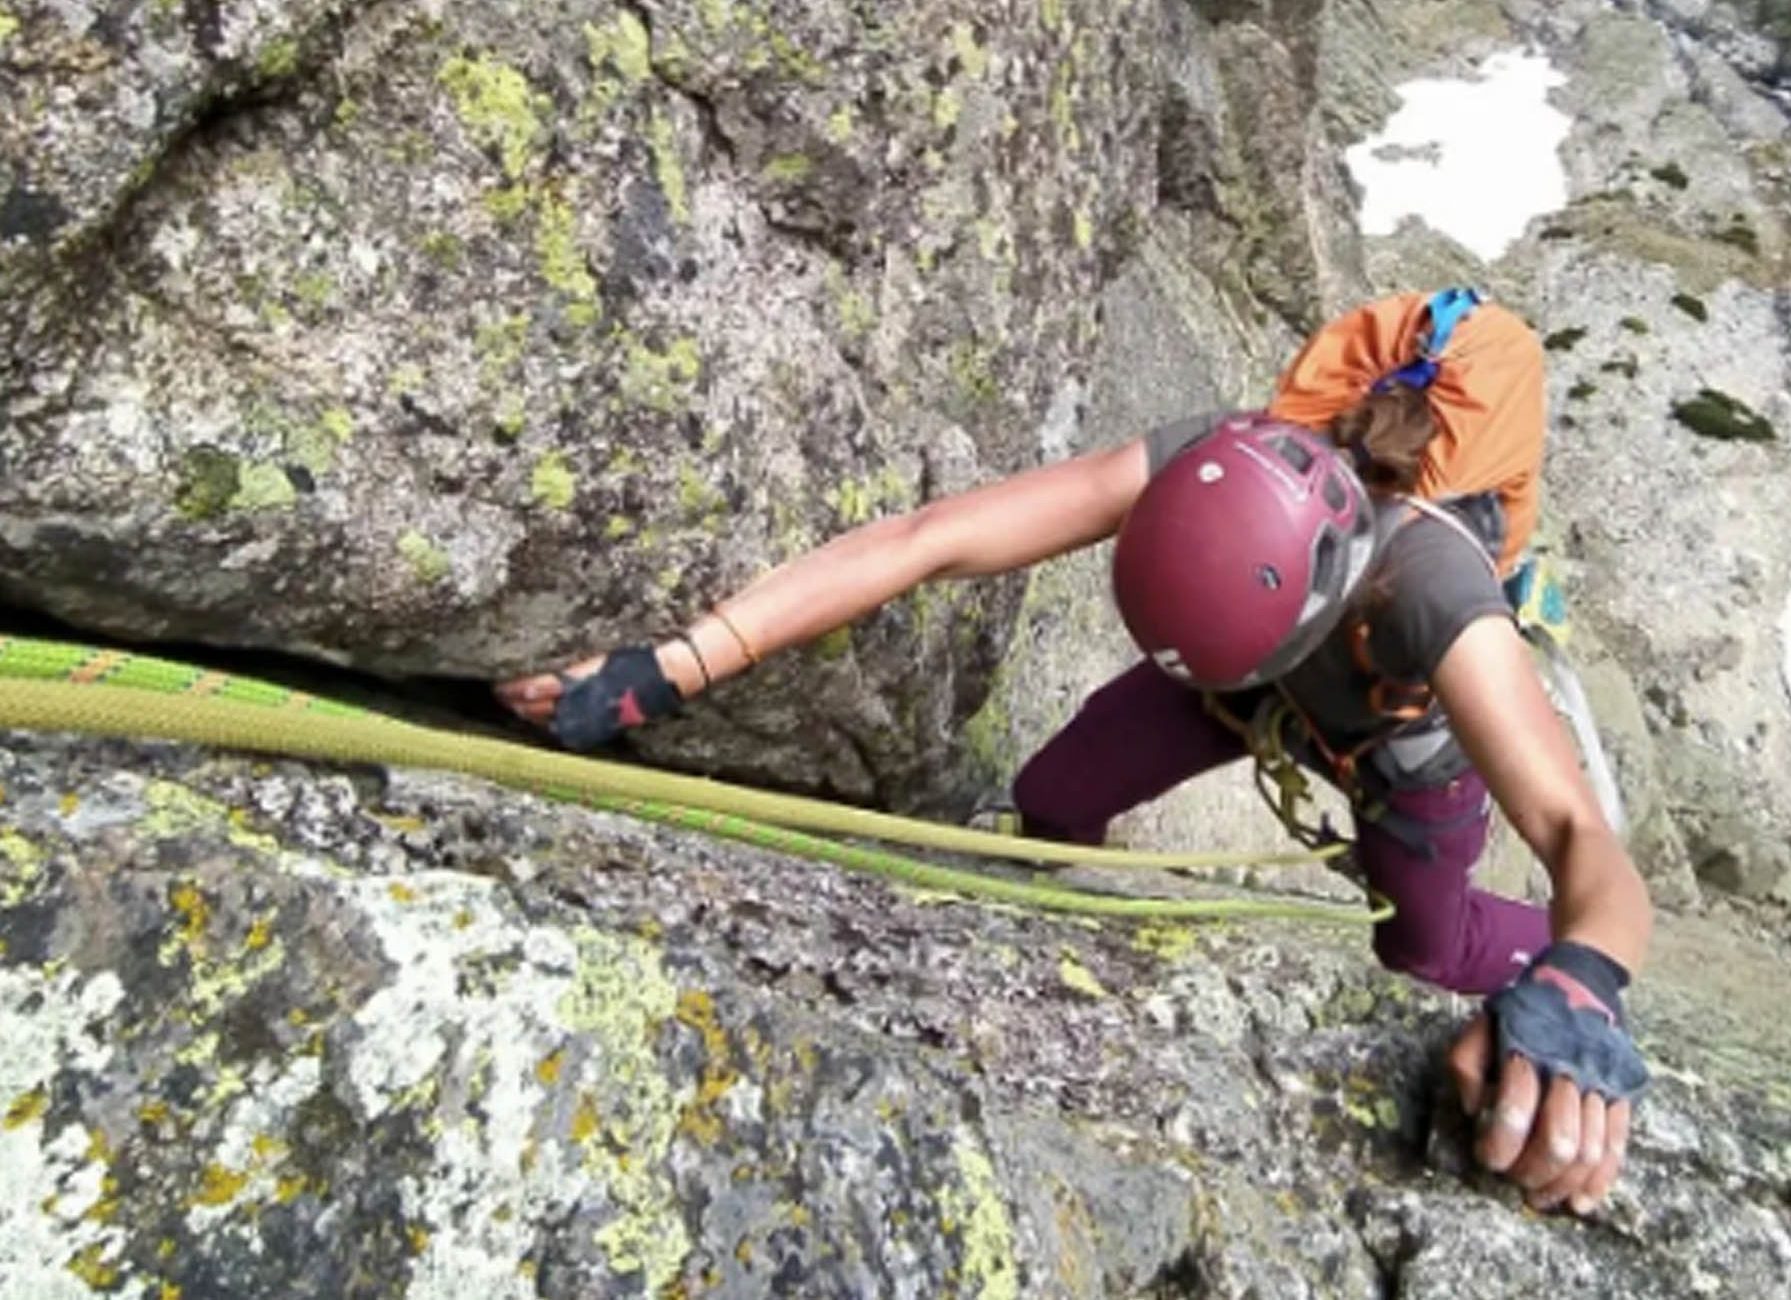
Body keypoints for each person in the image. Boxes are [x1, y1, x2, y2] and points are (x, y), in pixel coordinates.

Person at [497, 290, 1654, 1216]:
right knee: (1054, 796)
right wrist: (673, 667)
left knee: (1418, 948)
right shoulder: (1213, 459)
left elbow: (1575, 837)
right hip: (1233, 692)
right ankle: (1046, 902)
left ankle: (1524, 958)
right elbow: (929, 540)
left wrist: (1582, 979)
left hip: (1393, 766)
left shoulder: (1437, 596)